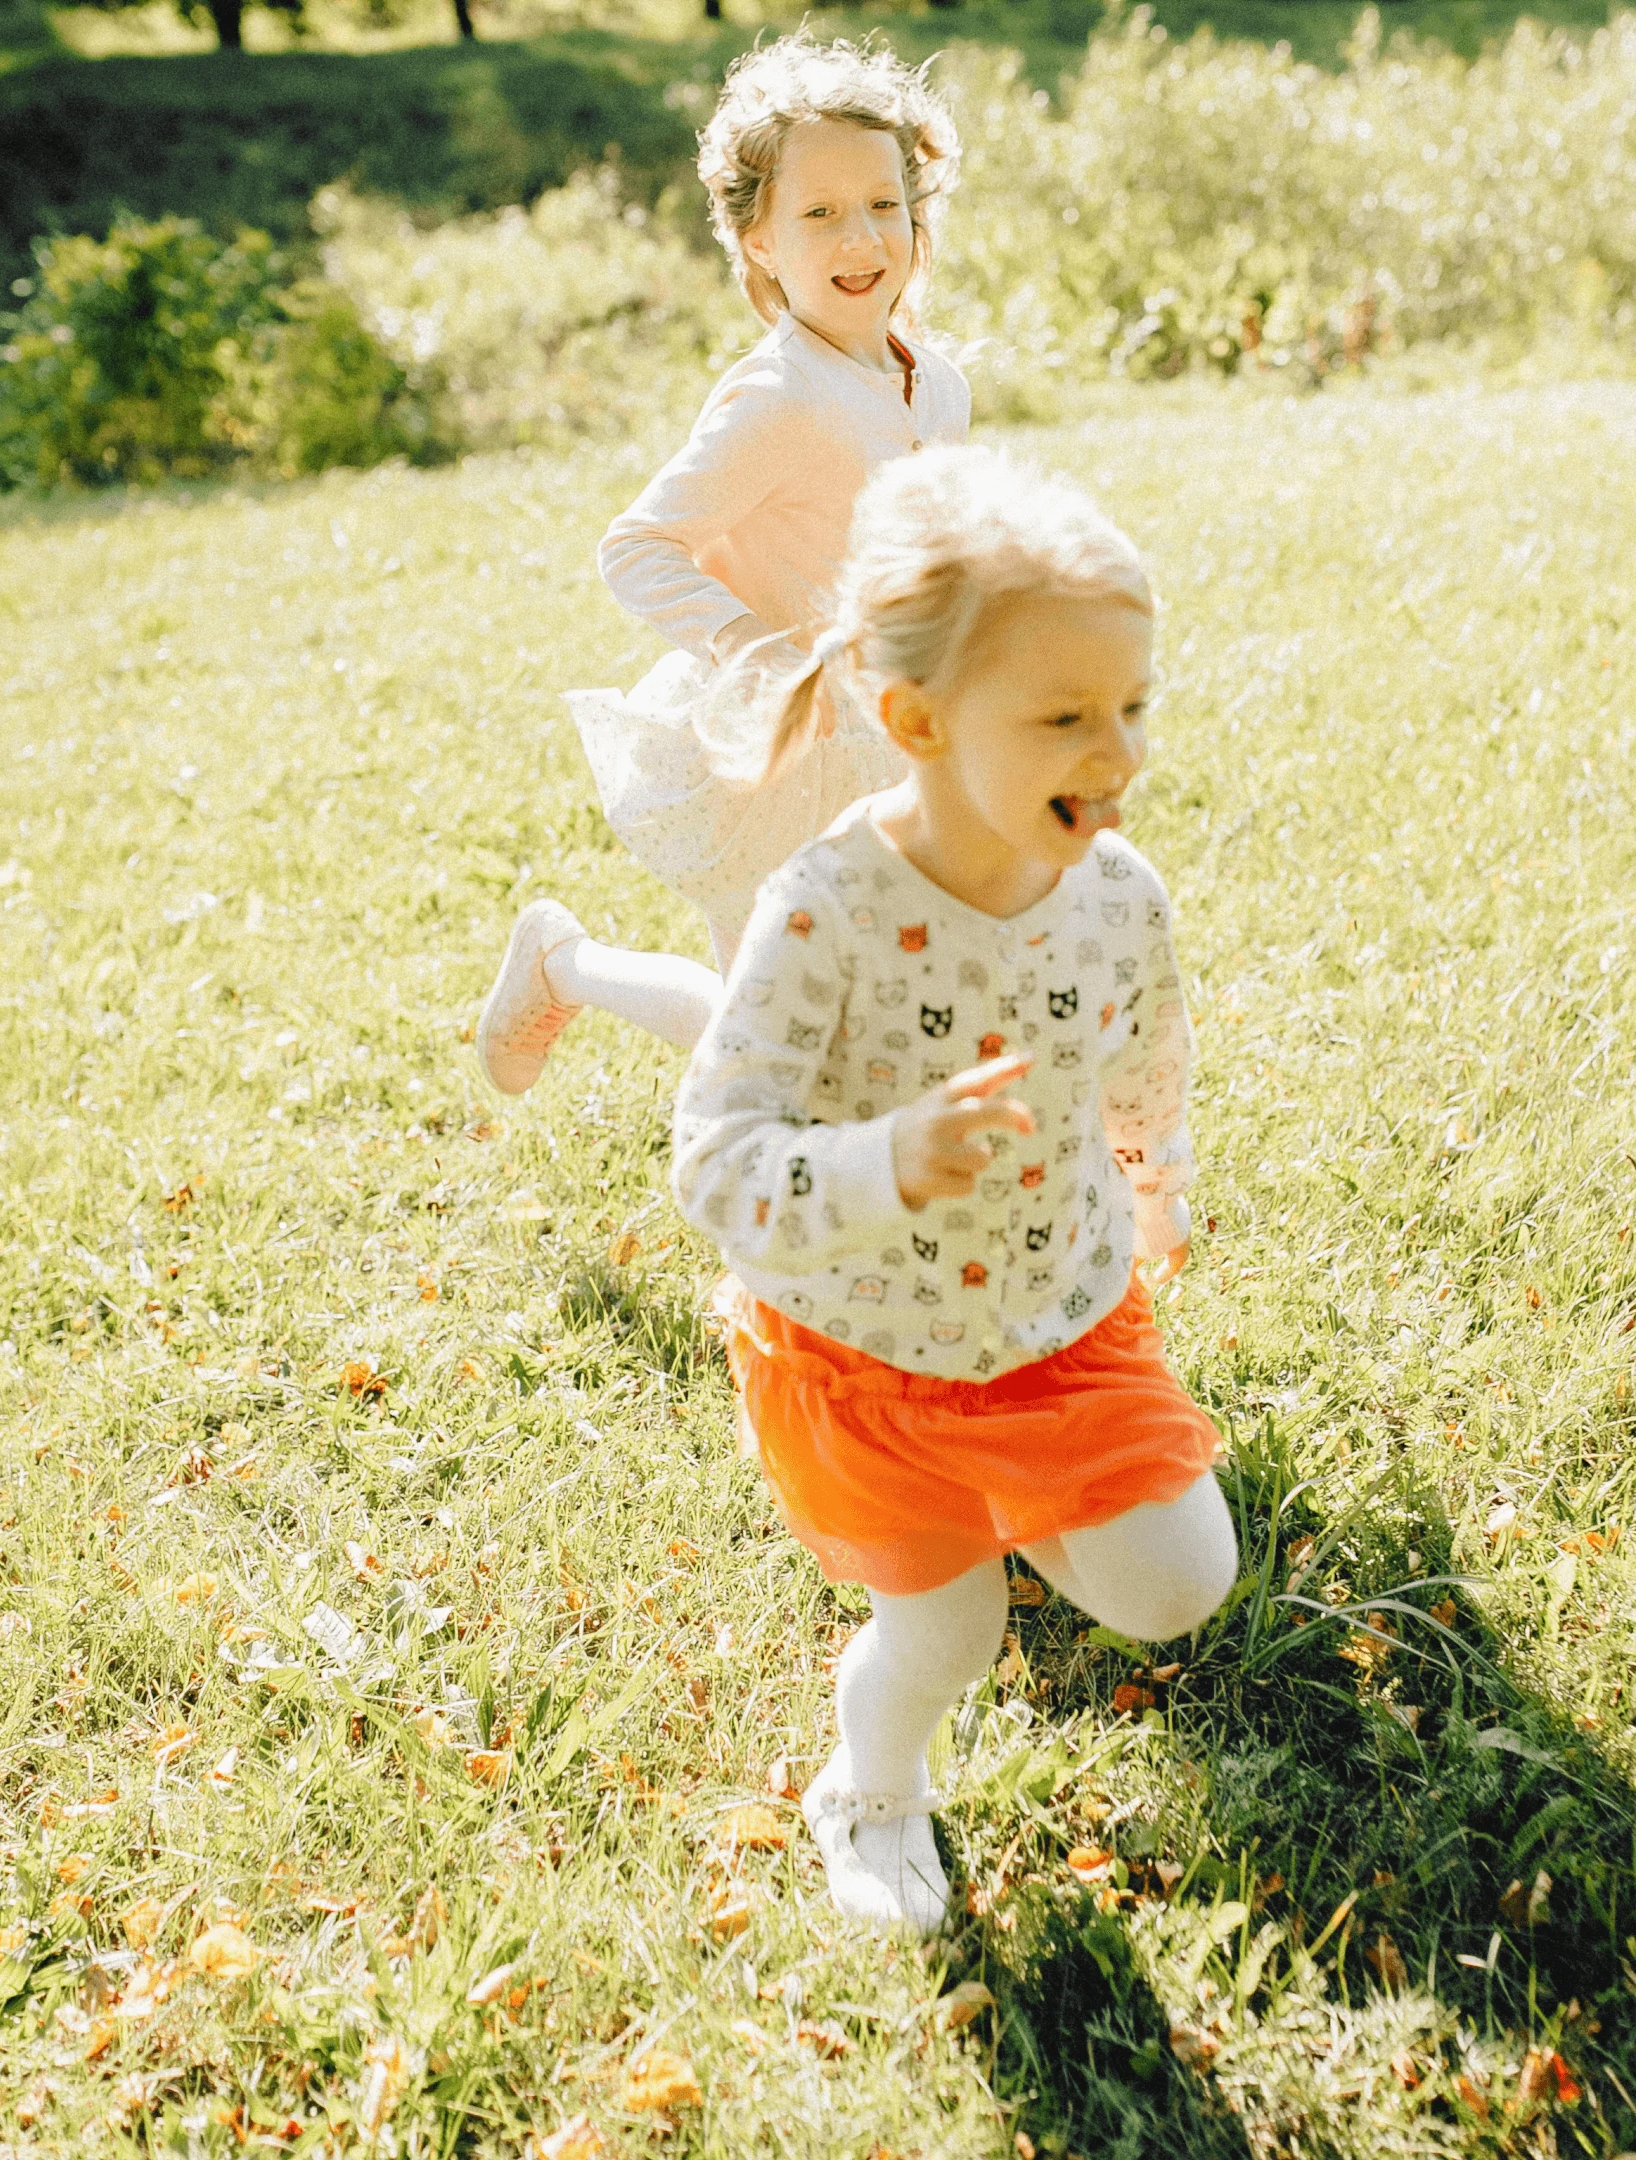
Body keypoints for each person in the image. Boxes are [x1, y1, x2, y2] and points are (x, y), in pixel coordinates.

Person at [670, 447, 1237, 1934]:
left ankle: (1036, 1497)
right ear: (914, 718)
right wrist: (884, 1163)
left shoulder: (1119, 891)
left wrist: (1155, 1184)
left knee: (1179, 1582)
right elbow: (716, 1154)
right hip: (866, 1351)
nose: (1115, 755)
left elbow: (1148, 1052)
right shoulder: (829, 909)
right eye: (1063, 717)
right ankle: (869, 1789)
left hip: (1059, 1318)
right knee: (949, 1627)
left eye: (1132, 707)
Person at [473, 33, 972, 1093]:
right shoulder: (779, 395)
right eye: (820, 212)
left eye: (884, 204)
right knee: (770, 1041)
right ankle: (564, 963)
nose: (862, 237)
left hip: (886, 738)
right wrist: (757, 654)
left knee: (895, 1006)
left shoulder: (935, 383)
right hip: (775, 752)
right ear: (755, 237)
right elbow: (637, 546)